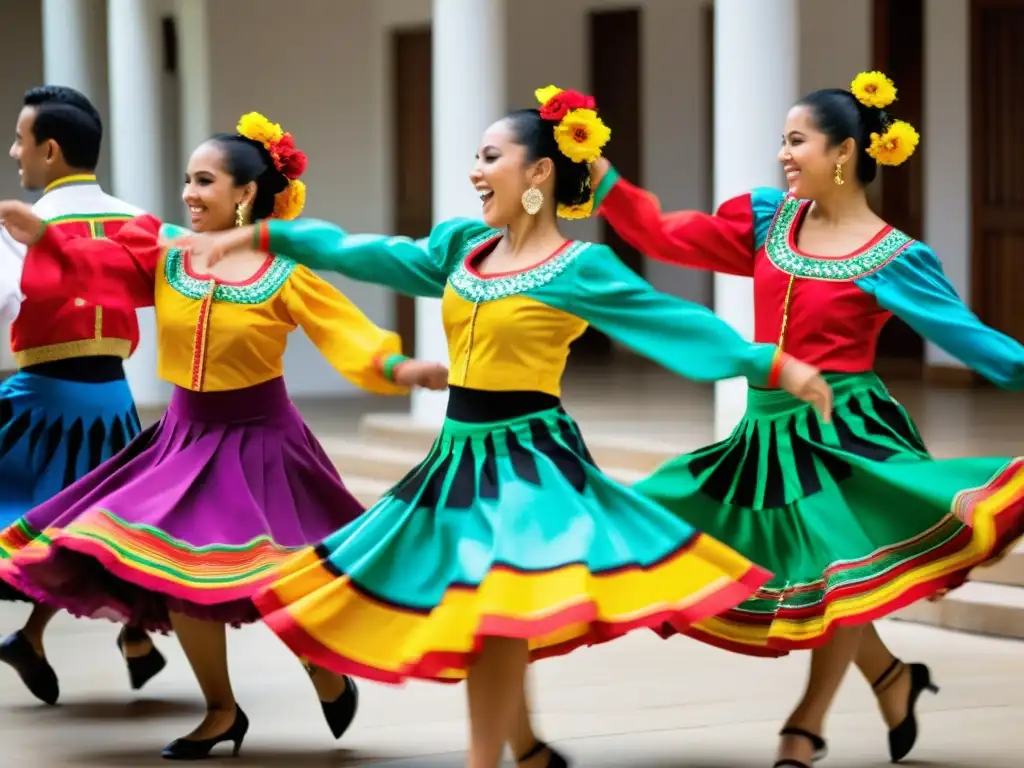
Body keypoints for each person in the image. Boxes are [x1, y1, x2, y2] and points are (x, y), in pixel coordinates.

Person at [167, 86, 833, 768]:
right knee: (486, 614)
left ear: (540, 171)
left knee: (492, 614)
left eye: (491, 156)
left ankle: (490, 759)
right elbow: (362, 251)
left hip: (529, 463)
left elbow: (672, 322)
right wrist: (264, 233)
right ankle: (529, 750)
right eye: (475, 157)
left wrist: (774, 365)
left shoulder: (578, 268)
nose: (475, 170)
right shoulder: (462, 249)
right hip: (457, 463)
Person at [588, 70, 1024, 767]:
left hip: (844, 437)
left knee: (834, 576)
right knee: (658, 513)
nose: (783, 155)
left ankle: (805, 728)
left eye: (798, 141)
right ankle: (892, 679)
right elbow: (669, 236)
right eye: (782, 142)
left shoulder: (894, 257)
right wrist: (606, 180)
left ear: (844, 153)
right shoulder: (768, 221)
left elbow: (976, 342)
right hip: (764, 436)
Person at [0, 110, 449, 759]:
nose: (188, 193)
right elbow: (98, 274)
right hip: (182, 441)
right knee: (178, 575)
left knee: (273, 576)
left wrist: (404, 369)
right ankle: (220, 711)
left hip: (263, 444)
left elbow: (347, 338)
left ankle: (322, 670)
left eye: (203, 181)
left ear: (244, 194)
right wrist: (45, 238)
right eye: (187, 179)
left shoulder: (285, 272)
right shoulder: (168, 253)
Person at [0, 84, 165, 706]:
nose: (13, 152)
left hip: (41, 402)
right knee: (115, 526)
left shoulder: (21, 227)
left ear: (49, 150)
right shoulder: (139, 222)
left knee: (47, 521)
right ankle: (133, 636)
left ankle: (118, 636)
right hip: (112, 405)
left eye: (19, 140)